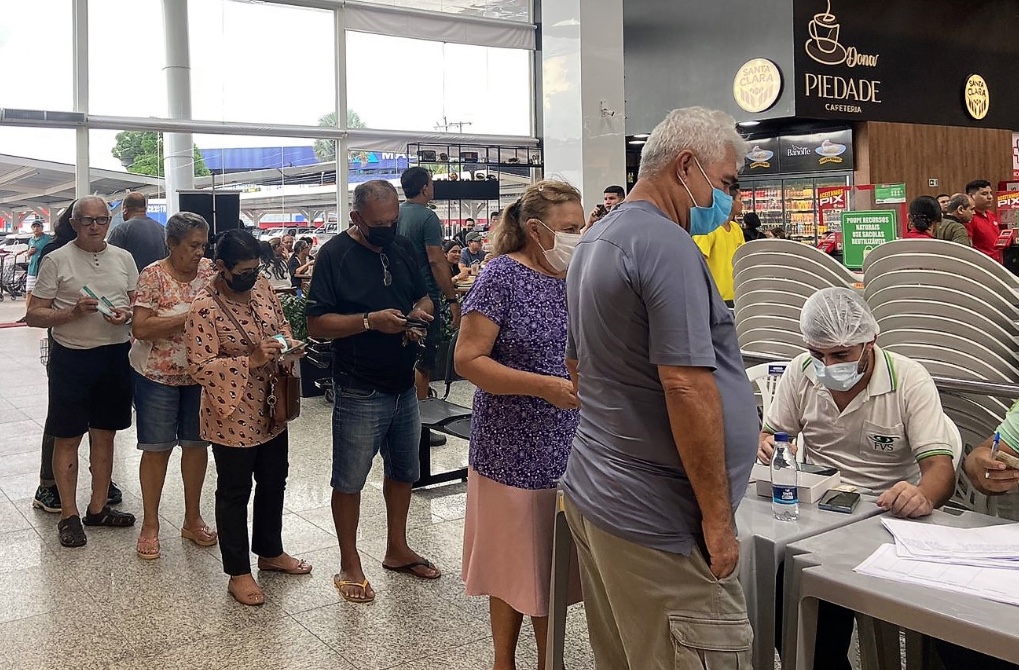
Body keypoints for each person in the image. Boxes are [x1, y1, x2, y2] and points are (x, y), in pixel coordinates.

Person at [563, 107, 757, 668]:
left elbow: (579, 368)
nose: (728, 201)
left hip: (602, 491)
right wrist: (718, 522)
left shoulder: (597, 240)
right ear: (686, 166)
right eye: (724, 183)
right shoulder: (667, 246)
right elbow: (687, 388)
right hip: (660, 520)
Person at [759, 287, 956, 670]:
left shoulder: (908, 379)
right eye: (818, 354)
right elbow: (771, 433)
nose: (828, 365)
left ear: (870, 343)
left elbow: (940, 470)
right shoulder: (800, 373)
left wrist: (922, 496)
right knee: (785, 594)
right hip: (817, 514)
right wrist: (768, 445)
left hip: (885, 517)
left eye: (841, 355)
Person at [456, 180, 584, 670]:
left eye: (582, 225)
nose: (580, 235)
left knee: (552, 566)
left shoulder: (574, 276)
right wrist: (542, 386)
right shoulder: (501, 277)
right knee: (512, 564)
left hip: (568, 444)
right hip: (511, 448)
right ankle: (503, 660)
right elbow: (468, 359)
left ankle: (550, 660)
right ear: (536, 230)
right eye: (570, 228)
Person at [305, 180, 440, 605]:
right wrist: (367, 321)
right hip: (359, 385)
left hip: (403, 381)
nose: (387, 228)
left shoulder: (399, 247)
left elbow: (424, 296)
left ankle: (396, 548)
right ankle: (349, 561)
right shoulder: (334, 255)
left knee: (403, 472)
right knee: (350, 479)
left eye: (392, 221)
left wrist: (420, 315)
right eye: (378, 223)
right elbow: (315, 324)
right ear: (356, 217)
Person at [186, 229, 312, 607]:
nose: (251, 277)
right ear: (221, 267)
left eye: (256, 269)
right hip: (231, 412)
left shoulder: (261, 289)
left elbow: (281, 326)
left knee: (275, 480)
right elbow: (199, 366)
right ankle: (238, 571)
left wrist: (287, 345)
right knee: (234, 491)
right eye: (243, 271)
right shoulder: (203, 307)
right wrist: (250, 360)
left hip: (272, 403)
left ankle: (271, 552)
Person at [26, 196, 138, 548]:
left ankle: (98, 507)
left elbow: (137, 304)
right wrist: (72, 313)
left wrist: (127, 315)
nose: (94, 226)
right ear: (73, 223)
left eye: (101, 220)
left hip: (116, 356)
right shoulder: (56, 260)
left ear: (109, 223)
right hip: (72, 359)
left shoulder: (123, 258)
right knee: (68, 436)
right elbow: (34, 315)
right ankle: (68, 514)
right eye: (86, 220)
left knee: (105, 435)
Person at [131, 212, 218, 560]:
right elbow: (141, 327)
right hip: (157, 377)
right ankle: (150, 524)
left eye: (203, 245)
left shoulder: (211, 272)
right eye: (192, 245)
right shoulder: (152, 275)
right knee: (157, 449)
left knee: (196, 448)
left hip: (200, 376)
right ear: (171, 244)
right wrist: (189, 316)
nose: (199, 252)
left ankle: (192, 518)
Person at [396, 168, 463, 444]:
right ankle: (420, 430)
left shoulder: (397, 214)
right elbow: (436, 261)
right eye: (432, 183)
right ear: (425, 188)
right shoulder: (427, 217)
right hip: (424, 297)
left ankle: (401, 423)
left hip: (398, 296)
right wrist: (451, 298)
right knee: (423, 363)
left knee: (405, 360)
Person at [693, 182, 745, 306]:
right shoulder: (708, 229)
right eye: (740, 199)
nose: (742, 203)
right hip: (716, 299)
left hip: (736, 296)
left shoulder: (736, 229)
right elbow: (697, 263)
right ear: (729, 201)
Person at [108, 192, 169, 272]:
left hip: (133, 282)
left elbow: (109, 261)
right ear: (145, 208)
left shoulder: (121, 230)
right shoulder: (163, 230)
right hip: (158, 281)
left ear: (125, 209)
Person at [20, 219, 53, 320]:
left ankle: (42, 314)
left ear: (42, 228)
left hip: (43, 269)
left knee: (43, 293)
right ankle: (28, 314)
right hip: (32, 269)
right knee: (29, 292)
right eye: (34, 227)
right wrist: (29, 253)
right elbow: (28, 255)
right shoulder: (31, 240)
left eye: (38, 226)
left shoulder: (48, 239)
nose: (36, 229)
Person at [965, 179, 1002, 262]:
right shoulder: (969, 218)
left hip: (999, 263)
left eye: (990, 193)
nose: (990, 197)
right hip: (983, 265)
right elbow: (968, 247)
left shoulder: (991, 214)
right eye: (984, 194)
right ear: (971, 196)